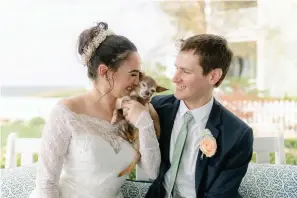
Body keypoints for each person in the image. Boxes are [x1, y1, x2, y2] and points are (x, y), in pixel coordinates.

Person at [29, 22, 160, 198]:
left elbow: (152, 172)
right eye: (132, 74)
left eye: (139, 74)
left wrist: (144, 122)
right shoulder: (66, 112)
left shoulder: (135, 112)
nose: (137, 81)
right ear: (104, 71)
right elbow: (46, 182)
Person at [145, 34, 254, 198]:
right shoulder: (158, 108)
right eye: (177, 68)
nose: (175, 78)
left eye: (185, 71)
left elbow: (220, 195)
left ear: (213, 76)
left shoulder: (237, 135)